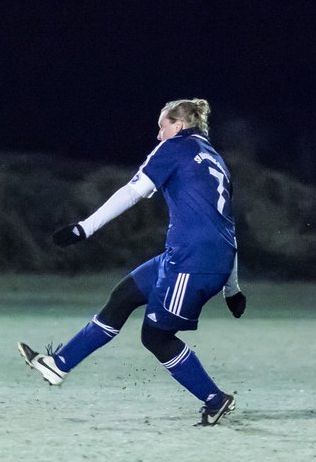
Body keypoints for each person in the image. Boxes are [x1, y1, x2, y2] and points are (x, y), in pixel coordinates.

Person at [18, 98, 246, 425]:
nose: (158, 135)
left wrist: (85, 228)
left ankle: (215, 399)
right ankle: (58, 365)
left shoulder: (174, 148)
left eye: (162, 127)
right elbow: (226, 225)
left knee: (156, 337)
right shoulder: (215, 159)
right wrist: (232, 288)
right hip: (192, 257)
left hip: (192, 263)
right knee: (125, 295)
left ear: (178, 126)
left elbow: (132, 192)